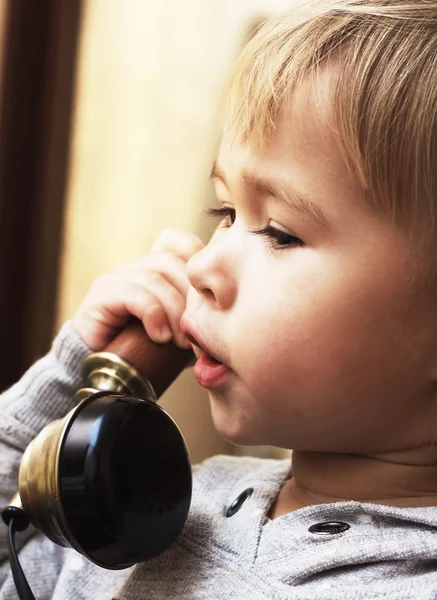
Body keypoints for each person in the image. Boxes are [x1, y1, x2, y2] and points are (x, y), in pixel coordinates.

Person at [2, 0, 437, 598]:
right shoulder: (160, 505)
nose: (203, 264)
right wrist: (78, 375)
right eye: (226, 212)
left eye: (281, 232)